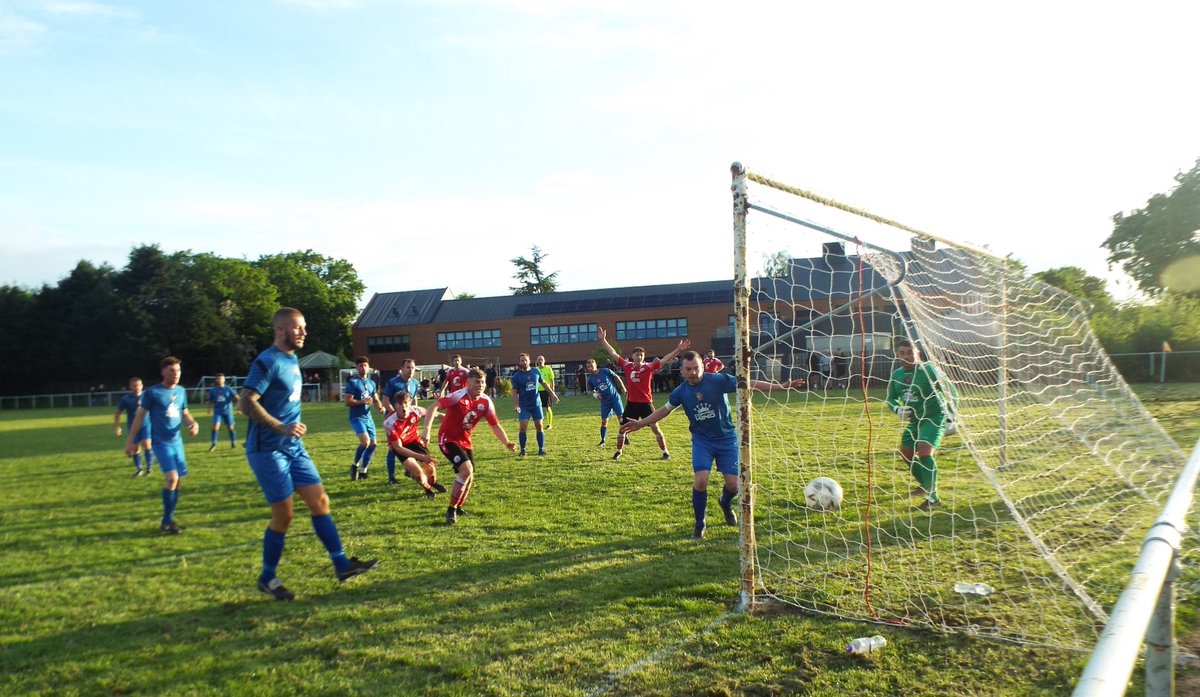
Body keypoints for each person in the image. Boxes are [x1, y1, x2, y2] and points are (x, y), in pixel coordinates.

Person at [239, 307, 377, 601]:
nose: (303, 332)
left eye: (304, 328)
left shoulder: (292, 361)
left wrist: (291, 429)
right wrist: (281, 427)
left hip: (293, 448)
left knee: (320, 501)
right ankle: (267, 577)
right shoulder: (267, 361)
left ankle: (341, 564)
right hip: (267, 449)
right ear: (280, 330)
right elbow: (246, 402)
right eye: (297, 328)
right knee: (284, 515)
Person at [621, 350, 801, 539]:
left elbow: (747, 383)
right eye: (688, 369)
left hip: (726, 439)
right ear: (681, 371)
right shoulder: (680, 392)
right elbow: (664, 411)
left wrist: (780, 386)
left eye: (696, 368)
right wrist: (641, 423)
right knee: (701, 480)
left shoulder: (717, 380)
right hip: (702, 441)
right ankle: (700, 524)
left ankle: (725, 502)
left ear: (703, 367)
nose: (693, 372)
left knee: (734, 485)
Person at [423, 367, 516, 525]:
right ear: (468, 383)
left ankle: (458, 506)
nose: (480, 385)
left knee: (470, 475)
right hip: (447, 439)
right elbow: (433, 407)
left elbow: (495, 425)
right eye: (477, 382)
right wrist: (426, 431)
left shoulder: (486, 401)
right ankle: (451, 510)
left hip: (465, 440)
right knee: (467, 470)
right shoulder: (458, 396)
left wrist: (506, 442)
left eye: (483, 382)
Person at [125, 357, 200, 534]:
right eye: (172, 370)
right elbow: (139, 416)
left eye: (178, 371)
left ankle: (170, 518)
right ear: (163, 371)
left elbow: (184, 412)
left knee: (178, 481)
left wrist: (193, 423)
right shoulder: (152, 393)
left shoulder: (181, 391)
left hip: (177, 443)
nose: (176, 374)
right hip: (161, 442)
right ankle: (166, 521)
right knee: (172, 478)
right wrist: (130, 441)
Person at [596, 326, 690, 461]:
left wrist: (678, 350)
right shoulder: (627, 365)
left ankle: (665, 452)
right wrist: (603, 340)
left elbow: (664, 360)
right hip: (632, 404)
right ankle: (618, 451)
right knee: (622, 428)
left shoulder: (649, 367)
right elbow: (613, 353)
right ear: (633, 356)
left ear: (644, 356)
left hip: (646, 403)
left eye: (641, 355)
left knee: (655, 427)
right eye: (637, 354)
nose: (639, 357)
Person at [885, 338, 950, 512]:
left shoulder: (929, 370)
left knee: (924, 451)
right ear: (897, 355)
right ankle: (926, 485)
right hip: (915, 421)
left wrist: (952, 414)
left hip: (933, 417)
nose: (906, 357)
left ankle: (933, 498)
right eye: (902, 353)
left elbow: (951, 390)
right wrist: (896, 408)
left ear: (917, 354)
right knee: (906, 452)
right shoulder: (897, 375)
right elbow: (890, 398)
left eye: (910, 353)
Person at [383, 391, 445, 498]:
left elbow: (431, 412)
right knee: (419, 474)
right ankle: (428, 489)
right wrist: (421, 457)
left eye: (406, 403)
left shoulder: (415, 410)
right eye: (400, 404)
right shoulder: (390, 423)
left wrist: (444, 417)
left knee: (430, 469)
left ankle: (434, 483)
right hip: (401, 447)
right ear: (395, 406)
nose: (404, 407)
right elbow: (398, 447)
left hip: (414, 442)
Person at [381, 358, 422, 484]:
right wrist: (395, 413)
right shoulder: (393, 382)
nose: (410, 370)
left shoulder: (415, 383)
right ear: (402, 369)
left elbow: (413, 400)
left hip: (408, 421)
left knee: (411, 445)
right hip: (394, 422)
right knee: (393, 448)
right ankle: (391, 477)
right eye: (408, 367)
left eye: (412, 367)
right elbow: (385, 399)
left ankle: (409, 470)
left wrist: (415, 414)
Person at [344, 356, 385, 480]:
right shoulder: (352, 383)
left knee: (373, 444)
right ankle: (355, 465)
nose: (363, 367)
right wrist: (363, 401)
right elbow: (347, 401)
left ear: (368, 367)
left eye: (365, 365)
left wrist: (380, 408)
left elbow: (376, 400)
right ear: (357, 368)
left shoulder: (371, 383)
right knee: (365, 442)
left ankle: (363, 471)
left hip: (368, 418)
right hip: (356, 417)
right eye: (360, 365)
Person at [510, 353, 558, 457]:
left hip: (536, 404)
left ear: (529, 360)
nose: (524, 362)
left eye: (526, 360)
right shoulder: (516, 376)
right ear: (519, 362)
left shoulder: (536, 371)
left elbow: (544, 383)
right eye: (522, 360)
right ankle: (523, 450)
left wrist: (552, 393)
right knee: (523, 427)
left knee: (539, 426)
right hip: (524, 405)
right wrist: (516, 405)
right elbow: (514, 392)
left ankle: (541, 449)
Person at [114, 376, 154, 476]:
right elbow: (117, 413)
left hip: (146, 425)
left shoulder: (146, 396)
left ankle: (149, 468)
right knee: (135, 448)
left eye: (139, 385)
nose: (137, 387)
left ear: (142, 386)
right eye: (134, 385)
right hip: (132, 427)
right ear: (130, 387)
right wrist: (117, 426)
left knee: (147, 444)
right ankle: (139, 469)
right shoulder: (126, 399)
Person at [585, 358, 626, 449]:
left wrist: (623, 387)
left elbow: (616, 376)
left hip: (614, 398)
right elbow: (593, 391)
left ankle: (625, 437)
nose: (590, 368)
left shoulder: (605, 371)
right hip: (605, 401)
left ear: (596, 365)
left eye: (591, 366)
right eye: (588, 367)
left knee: (621, 418)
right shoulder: (590, 379)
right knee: (604, 421)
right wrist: (596, 395)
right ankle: (603, 440)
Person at [206, 373, 238, 451]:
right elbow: (210, 400)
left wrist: (239, 408)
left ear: (224, 379)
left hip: (228, 411)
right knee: (215, 426)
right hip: (217, 412)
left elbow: (237, 398)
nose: (219, 380)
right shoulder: (213, 390)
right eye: (218, 378)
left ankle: (233, 443)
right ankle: (214, 444)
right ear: (216, 380)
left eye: (221, 378)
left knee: (230, 428)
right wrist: (209, 408)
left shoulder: (229, 389)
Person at [535, 355, 556, 429]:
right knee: (538, 407)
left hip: (546, 391)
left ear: (544, 361)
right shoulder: (535, 370)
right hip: (537, 392)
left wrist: (552, 390)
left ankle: (549, 424)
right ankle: (539, 423)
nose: (540, 361)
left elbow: (552, 380)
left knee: (547, 407)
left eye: (541, 359)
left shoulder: (548, 369)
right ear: (537, 361)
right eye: (539, 359)